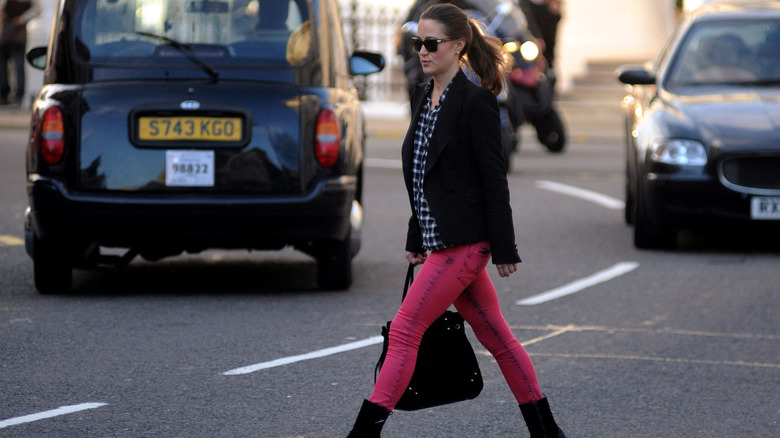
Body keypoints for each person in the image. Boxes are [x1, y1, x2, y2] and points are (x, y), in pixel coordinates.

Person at [346, 4, 566, 437]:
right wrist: (417, 234)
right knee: (497, 337)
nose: (422, 51)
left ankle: (362, 434)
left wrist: (504, 247)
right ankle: (547, 431)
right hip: (440, 239)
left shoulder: (477, 101)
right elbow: (423, 173)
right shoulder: (421, 96)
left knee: (405, 330)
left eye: (432, 43)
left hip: (464, 244)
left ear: (459, 45)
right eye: (418, 43)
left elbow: (493, 179)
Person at [0, 0, 40, 106]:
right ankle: (3, 95)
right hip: (3, 34)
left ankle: (18, 96)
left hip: (17, 35)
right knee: (2, 67)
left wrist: (21, 19)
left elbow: (36, 9)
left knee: (19, 67)